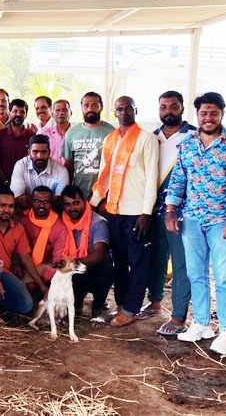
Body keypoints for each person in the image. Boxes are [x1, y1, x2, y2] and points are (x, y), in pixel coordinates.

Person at [166, 92, 226, 355]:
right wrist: (171, 210)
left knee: (224, 277)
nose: (208, 118)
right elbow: (178, 178)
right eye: (203, 113)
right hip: (192, 219)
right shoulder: (188, 144)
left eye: (214, 113)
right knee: (196, 274)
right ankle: (201, 323)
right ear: (197, 115)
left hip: (222, 221)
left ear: (222, 114)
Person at [90, 96, 158, 328]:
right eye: (119, 109)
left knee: (138, 262)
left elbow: (152, 178)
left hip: (136, 213)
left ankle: (131, 309)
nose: (124, 112)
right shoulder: (110, 139)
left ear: (135, 110)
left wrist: (146, 213)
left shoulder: (147, 139)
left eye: (128, 108)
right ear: (114, 112)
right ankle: (122, 305)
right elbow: (104, 175)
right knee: (118, 261)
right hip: (113, 211)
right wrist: (94, 202)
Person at [143, 91, 196, 336]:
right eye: (163, 107)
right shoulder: (152, 137)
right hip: (155, 210)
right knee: (156, 257)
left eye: (173, 106)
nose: (168, 111)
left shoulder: (194, 136)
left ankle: (178, 316)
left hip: (182, 213)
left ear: (182, 108)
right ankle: (155, 302)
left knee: (181, 263)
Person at [0, 189, 49, 320]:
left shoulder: (18, 228)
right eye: (3, 205)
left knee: (26, 305)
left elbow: (26, 258)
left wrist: (42, 286)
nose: (7, 210)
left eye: (11, 206)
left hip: (4, 272)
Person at [61, 185, 113, 327]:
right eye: (67, 205)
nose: (72, 208)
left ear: (84, 202)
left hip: (93, 268)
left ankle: (97, 310)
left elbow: (99, 254)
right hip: (74, 270)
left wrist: (72, 264)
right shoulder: (61, 221)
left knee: (105, 267)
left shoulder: (98, 222)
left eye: (76, 203)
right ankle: (75, 304)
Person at [62, 92, 115, 199]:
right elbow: (68, 165)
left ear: (101, 107)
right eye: (86, 105)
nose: (90, 109)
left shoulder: (112, 132)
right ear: (81, 107)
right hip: (79, 194)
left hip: (105, 195)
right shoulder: (71, 133)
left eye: (94, 105)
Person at [21, 186, 67, 292]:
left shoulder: (59, 228)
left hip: (47, 269)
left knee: (31, 286)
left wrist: (41, 279)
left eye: (46, 202)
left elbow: (57, 260)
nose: (41, 205)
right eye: (37, 201)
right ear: (31, 201)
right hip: (24, 265)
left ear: (52, 204)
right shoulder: (23, 222)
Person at [10, 134, 69, 206]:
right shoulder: (21, 165)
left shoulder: (61, 171)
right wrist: (47, 201)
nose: (39, 156)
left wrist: (30, 199)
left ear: (49, 152)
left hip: (51, 210)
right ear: (29, 152)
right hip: (26, 209)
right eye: (35, 152)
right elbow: (18, 198)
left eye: (43, 152)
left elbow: (59, 201)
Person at [0, 99, 37, 184]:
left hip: (26, 182)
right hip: (4, 183)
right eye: (15, 111)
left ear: (26, 115)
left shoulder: (31, 136)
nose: (18, 114)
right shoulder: (0, 135)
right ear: (9, 113)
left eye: (22, 112)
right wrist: (4, 180)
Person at [39, 99, 70, 164]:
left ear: (70, 113)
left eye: (64, 110)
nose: (61, 113)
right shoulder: (44, 134)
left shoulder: (77, 133)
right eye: (57, 110)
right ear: (52, 114)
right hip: (51, 170)